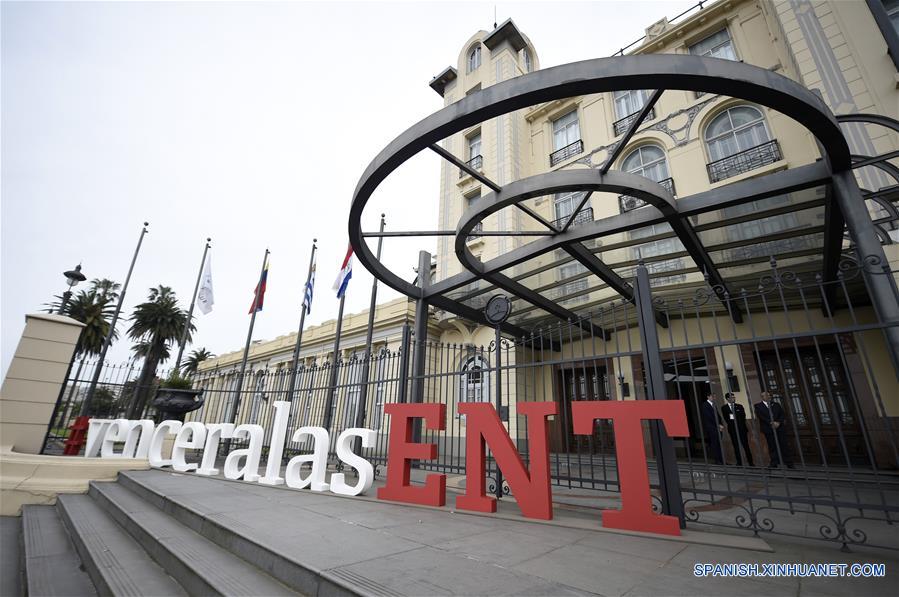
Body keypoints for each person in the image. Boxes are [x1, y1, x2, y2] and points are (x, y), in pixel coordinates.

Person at [753, 391, 794, 468]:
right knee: (772, 446)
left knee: (784, 445)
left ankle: (789, 462)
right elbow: (761, 416)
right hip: (768, 428)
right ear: (762, 397)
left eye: (769, 395)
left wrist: (778, 422)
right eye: (766, 395)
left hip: (779, 428)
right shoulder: (758, 406)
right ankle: (774, 462)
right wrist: (771, 422)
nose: (769, 396)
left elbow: (782, 414)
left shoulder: (776, 405)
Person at [721, 392, 753, 466]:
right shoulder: (724, 408)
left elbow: (743, 417)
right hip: (732, 430)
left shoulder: (739, 406)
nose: (733, 398)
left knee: (746, 446)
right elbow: (726, 419)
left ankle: (750, 462)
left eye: (734, 397)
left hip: (742, 429)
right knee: (736, 446)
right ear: (728, 399)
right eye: (732, 397)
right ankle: (739, 462)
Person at [700, 393, 726, 465]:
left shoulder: (714, 405)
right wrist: (718, 425)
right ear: (708, 396)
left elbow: (717, 416)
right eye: (712, 396)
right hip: (712, 428)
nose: (714, 398)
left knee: (719, 444)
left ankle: (722, 460)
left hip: (718, 427)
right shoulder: (705, 405)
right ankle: (717, 460)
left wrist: (721, 424)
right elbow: (709, 417)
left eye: (715, 396)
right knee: (715, 444)